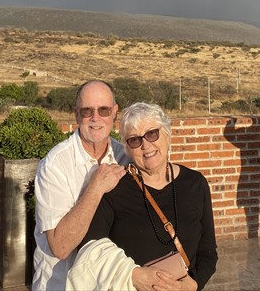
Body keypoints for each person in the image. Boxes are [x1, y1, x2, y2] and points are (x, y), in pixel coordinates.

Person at [68, 102, 218, 291]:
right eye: (134, 140)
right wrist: (133, 275)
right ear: (127, 148)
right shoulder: (114, 189)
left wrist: (193, 284)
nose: (146, 145)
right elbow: (91, 249)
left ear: (167, 134)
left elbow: (208, 251)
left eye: (152, 134)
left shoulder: (195, 183)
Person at [32, 80, 130, 290]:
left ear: (114, 113)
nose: (95, 118)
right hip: (61, 283)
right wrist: (95, 188)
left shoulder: (125, 156)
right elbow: (61, 246)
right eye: (87, 111)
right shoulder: (55, 165)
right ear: (77, 114)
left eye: (103, 110)